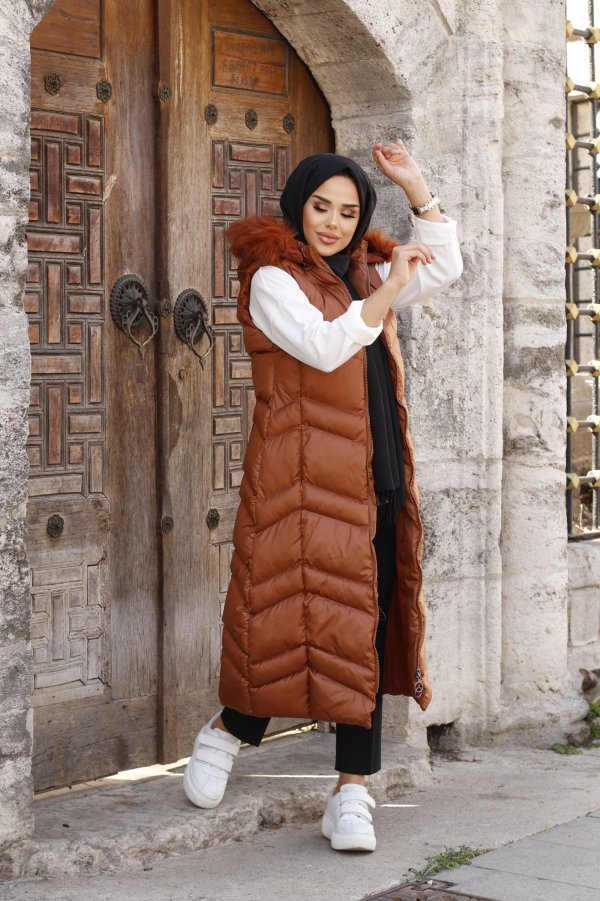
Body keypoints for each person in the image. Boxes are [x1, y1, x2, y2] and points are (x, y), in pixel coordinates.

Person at [183, 141, 464, 852]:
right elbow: (326, 345)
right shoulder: (271, 278)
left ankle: (351, 791)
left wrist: (417, 188)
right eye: (321, 207)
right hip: (300, 479)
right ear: (298, 207)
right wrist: (388, 290)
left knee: (360, 631)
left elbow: (446, 267)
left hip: (376, 471)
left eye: (347, 211)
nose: (334, 224)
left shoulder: (366, 269)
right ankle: (230, 729)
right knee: (278, 617)